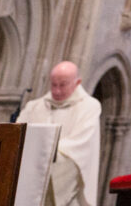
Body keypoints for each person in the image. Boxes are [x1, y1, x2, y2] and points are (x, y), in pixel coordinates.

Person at [18, 61, 102, 206]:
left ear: (77, 82)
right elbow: (16, 136)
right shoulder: (35, 106)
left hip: (66, 193)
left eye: (62, 85)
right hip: (28, 182)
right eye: (53, 84)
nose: (56, 91)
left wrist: (43, 153)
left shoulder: (89, 107)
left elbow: (80, 147)